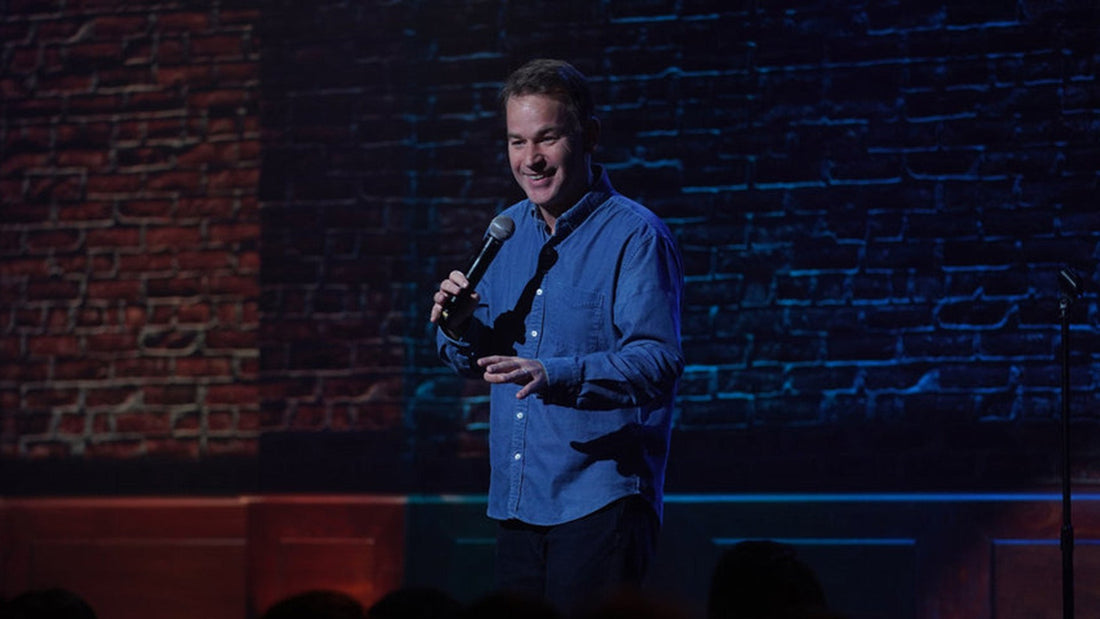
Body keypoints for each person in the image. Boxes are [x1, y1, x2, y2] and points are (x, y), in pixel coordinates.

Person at [430, 58, 685, 613]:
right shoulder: (507, 231)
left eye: (547, 138)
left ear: (588, 135)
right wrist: (456, 327)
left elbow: (657, 361)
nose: (531, 160)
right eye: (516, 142)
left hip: (598, 500)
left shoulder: (635, 236)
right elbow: (480, 358)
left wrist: (556, 373)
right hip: (517, 502)